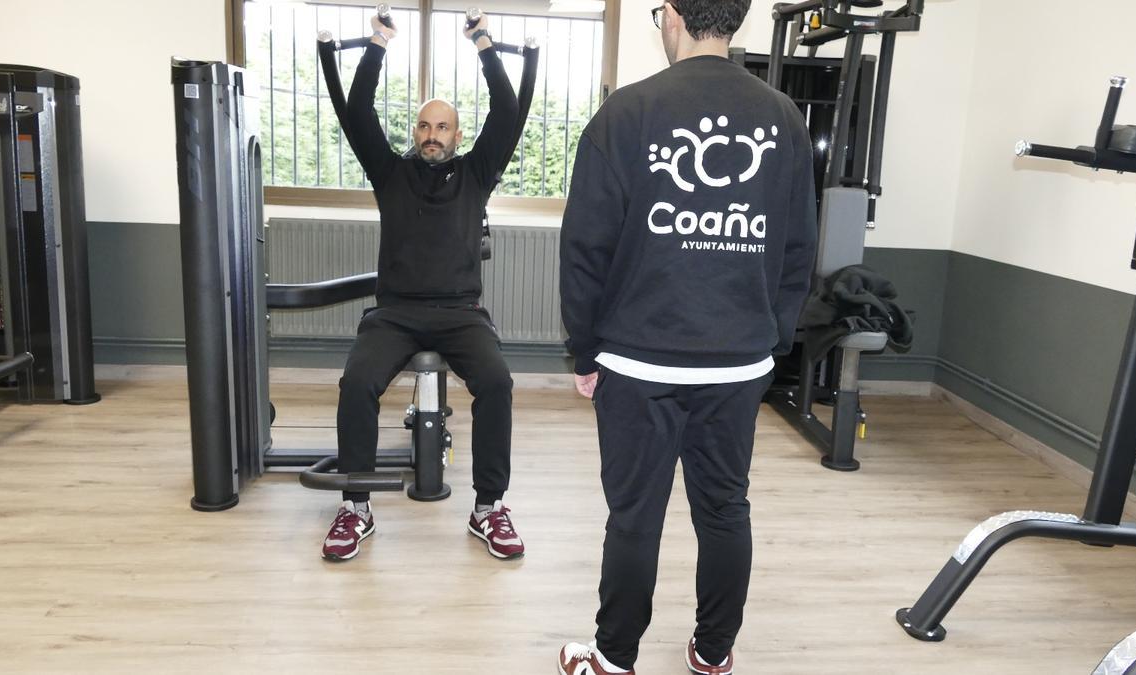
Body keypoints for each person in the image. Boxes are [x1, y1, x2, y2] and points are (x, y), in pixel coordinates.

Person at [556, 0, 818, 672]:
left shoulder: (626, 113)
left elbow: (585, 248)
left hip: (636, 361)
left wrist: (584, 352)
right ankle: (713, 651)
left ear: (671, 14)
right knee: (725, 507)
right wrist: (770, 345)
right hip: (735, 364)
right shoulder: (784, 118)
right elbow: (797, 251)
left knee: (635, 515)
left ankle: (613, 660)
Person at [320, 10, 525, 563]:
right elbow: (357, 110)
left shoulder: (477, 175)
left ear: (458, 136)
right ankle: (355, 507)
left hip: (461, 313)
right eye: (424, 126)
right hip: (395, 313)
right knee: (357, 382)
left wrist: (483, 43)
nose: (432, 136)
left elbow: (507, 110)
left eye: (442, 127)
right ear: (416, 133)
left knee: (498, 383)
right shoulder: (389, 173)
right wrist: (378, 43)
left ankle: (489, 508)